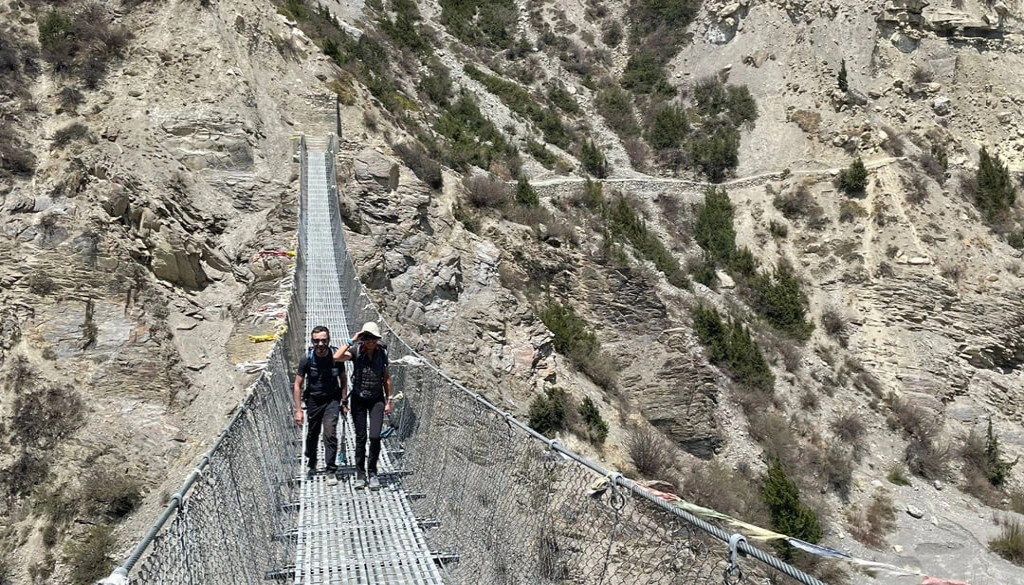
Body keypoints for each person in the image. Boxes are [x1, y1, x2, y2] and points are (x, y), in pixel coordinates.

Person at [334, 321, 392, 490]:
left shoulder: (383, 353)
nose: (370, 342)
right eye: (367, 338)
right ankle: (360, 473)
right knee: (361, 437)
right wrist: (352, 339)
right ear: (363, 338)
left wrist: (389, 400)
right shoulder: (356, 350)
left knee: (375, 436)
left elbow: (386, 378)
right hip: (358, 399)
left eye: (373, 338)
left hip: (377, 399)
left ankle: (372, 472)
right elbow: (336, 357)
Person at [293, 326, 346, 486]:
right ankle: (312, 461)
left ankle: (330, 470)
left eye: (324, 340)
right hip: (313, 401)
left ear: (329, 340)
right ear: (312, 341)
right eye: (317, 341)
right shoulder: (307, 359)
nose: (321, 344)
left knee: (330, 432)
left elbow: (343, 379)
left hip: (332, 400)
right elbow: (298, 384)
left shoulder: (336, 358)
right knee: (312, 434)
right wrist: (298, 410)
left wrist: (344, 401)